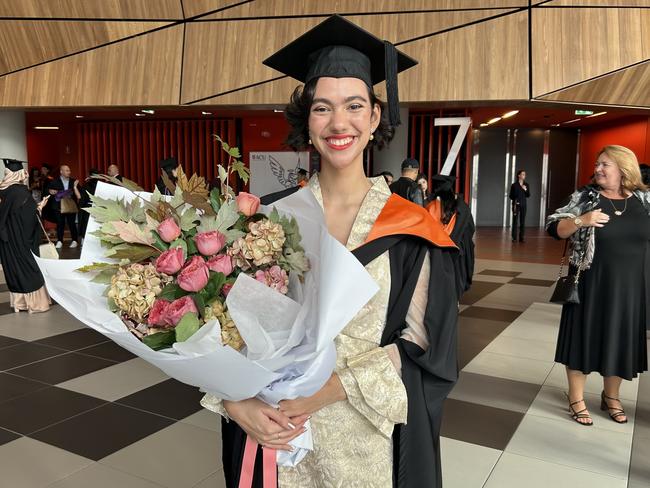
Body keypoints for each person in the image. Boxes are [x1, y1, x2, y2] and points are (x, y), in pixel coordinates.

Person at [202, 15, 460, 488]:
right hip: (277, 433)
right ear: (308, 119)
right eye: (322, 108)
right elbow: (225, 331)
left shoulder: (412, 229)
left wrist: (325, 392)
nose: (339, 123)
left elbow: (421, 346)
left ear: (376, 116)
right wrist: (238, 404)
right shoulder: (269, 220)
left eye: (354, 105)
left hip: (368, 441)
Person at [546, 145, 649, 426]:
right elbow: (554, 229)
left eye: (605, 164)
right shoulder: (585, 197)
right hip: (590, 281)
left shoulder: (644, 199)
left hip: (629, 287)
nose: (598, 169)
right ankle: (577, 397)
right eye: (597, 164)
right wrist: (581, 220)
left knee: (619, 339)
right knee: (584, 336)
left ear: (624, 168)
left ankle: (611, 396)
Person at [0, 159, 51, 313]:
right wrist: (40, 207)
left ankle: (20, 303)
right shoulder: (22, 192)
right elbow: (29, 218)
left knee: (14, 268)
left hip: (7, 240)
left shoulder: (3, 192)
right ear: (19, 174)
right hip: (21, 240)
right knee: (28, 268)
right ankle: (35, 304)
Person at [426, 175, 475, 296]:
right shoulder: (462, 208)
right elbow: (471, 228)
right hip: (457, 250)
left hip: (436, 251)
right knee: (456, 280)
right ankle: (455, 303)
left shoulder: (431, 207)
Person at [47, 164, 80, 249]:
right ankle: (59, 241)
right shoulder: (54, 181)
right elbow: (47, 192)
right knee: (60, 224)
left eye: (69, 170)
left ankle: (75, 240)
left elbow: (79, 194)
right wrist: (50, 192)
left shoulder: (73, 181)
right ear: (61, 171)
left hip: (70, 205)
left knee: (72, 224)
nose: (69, 172)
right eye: (67, 170)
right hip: (58, 206)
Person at [78, 168, 101, 243]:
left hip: (88, 207)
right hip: (98, 207)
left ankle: (84, 239)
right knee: (95, 224)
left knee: (86, 223)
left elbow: (83, 198)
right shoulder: (101, 185)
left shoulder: (86, 185)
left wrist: (81, 207)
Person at [509, 169, 530, 242]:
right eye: (523, 174)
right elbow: (510, 196)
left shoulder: (526, 184)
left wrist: (525, 189)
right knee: (515, 221)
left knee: (522, 221)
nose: (524, 175)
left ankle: (521, 237)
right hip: (516, 205)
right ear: (519, 175)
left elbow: (528, 195)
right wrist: (516, 196)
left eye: (525, 174)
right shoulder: (514, 185)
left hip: (524, 205)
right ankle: (514, 237)